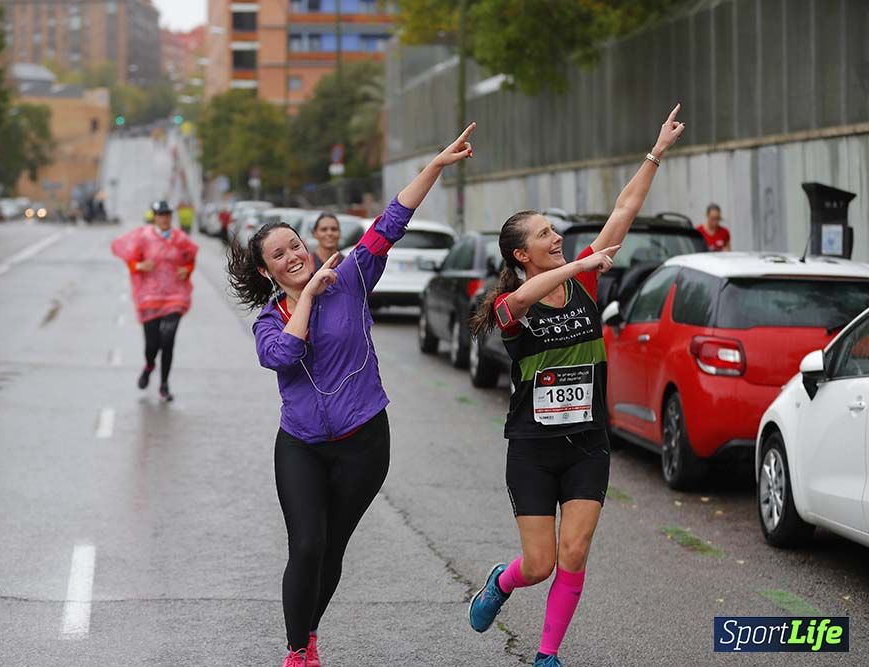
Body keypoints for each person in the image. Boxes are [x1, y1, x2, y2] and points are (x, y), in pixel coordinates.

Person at [227, 124, 476, 667]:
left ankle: (309, 632)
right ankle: (298, 653)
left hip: (365, 440)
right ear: (269, 271)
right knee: (307, 547)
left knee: (333, 549)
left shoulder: (355, 275)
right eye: (278, 255)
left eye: (294, 244)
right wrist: (309, 296)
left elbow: (393, 219)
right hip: (301, 445)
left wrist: (434, 166)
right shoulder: (271, 322)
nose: (292, 255)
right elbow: (284, 358)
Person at [466, 105, 685, 667]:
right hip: (533, 449)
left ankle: (546, 655)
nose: (556, 238)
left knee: (575, 551)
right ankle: (501, 581)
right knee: (537, 564)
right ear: (522, 254)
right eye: (544, 234)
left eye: (554, 230)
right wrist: (576, 267)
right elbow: (517, 300)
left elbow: (625, 207)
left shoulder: (584, 279)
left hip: (588, 444)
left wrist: (655, 153)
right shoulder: (509, 307)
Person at [111, 200, 198, 402]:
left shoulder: (180, 239)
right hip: (149, 296)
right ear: (155, 217)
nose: (164, 218)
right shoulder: (143, 237)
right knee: (152, 344)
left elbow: (190, 257)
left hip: (175, 295)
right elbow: (130, 258)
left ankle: (164, 385)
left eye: (167, 215)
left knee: (168, 340)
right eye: (160, 215)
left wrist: (187, 269)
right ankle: (149, 366)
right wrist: (140, 266)